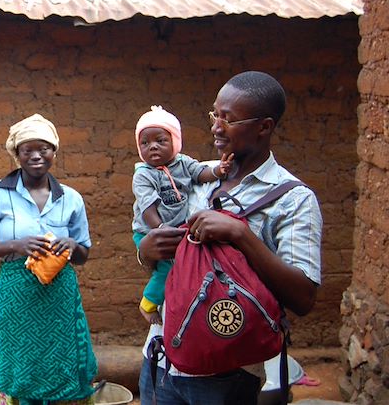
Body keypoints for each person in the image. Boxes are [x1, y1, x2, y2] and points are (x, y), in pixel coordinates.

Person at [136, 72, 323, 405]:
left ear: (264, 127)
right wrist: (147, 252)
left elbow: (303, 297)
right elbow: (171, 262)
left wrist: (241, 235)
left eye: (230, 119)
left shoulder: (292, 199)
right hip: (162, 357)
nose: (216, 127)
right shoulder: (196, 176)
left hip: (229, 370)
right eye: (215, 115)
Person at [0, 113, 98, 405]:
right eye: (28, 150)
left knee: (62, 363)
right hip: (17, 297)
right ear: (17, 154)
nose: (37, 155)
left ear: (54, 152)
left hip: (59, 299)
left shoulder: (71, 199)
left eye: (44, 149)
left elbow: (83, 256)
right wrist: (16, 244)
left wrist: (72, 244)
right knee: (18, 365)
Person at [132, 105, 232, 324]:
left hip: (174, 231)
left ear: (175, 142)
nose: (153, 147)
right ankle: (148, 304)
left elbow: (200, 173)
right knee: (168, 267)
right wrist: (159, 229)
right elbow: (148, 206)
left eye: (160, 140)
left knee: (181, 267)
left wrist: (218, 171)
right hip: (149, 231)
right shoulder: (143, 175)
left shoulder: (183, 163)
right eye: (145, 143)